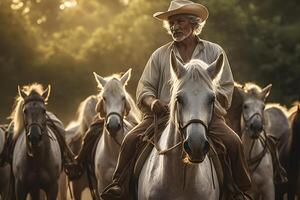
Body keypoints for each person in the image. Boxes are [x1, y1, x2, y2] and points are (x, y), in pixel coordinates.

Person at [81, 0, 253, 199]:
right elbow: (144, 88)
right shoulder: (159, 55)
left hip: (206, 117)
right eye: (171, 23)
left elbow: (226, 87)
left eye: (180, 21)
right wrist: (153, 103)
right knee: (130, 140)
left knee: (233, 142)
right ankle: (119, 186)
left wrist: (208, 103)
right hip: (161, 117)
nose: (174, 26)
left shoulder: (215, 52)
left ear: (194, 23)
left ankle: (240, 191)